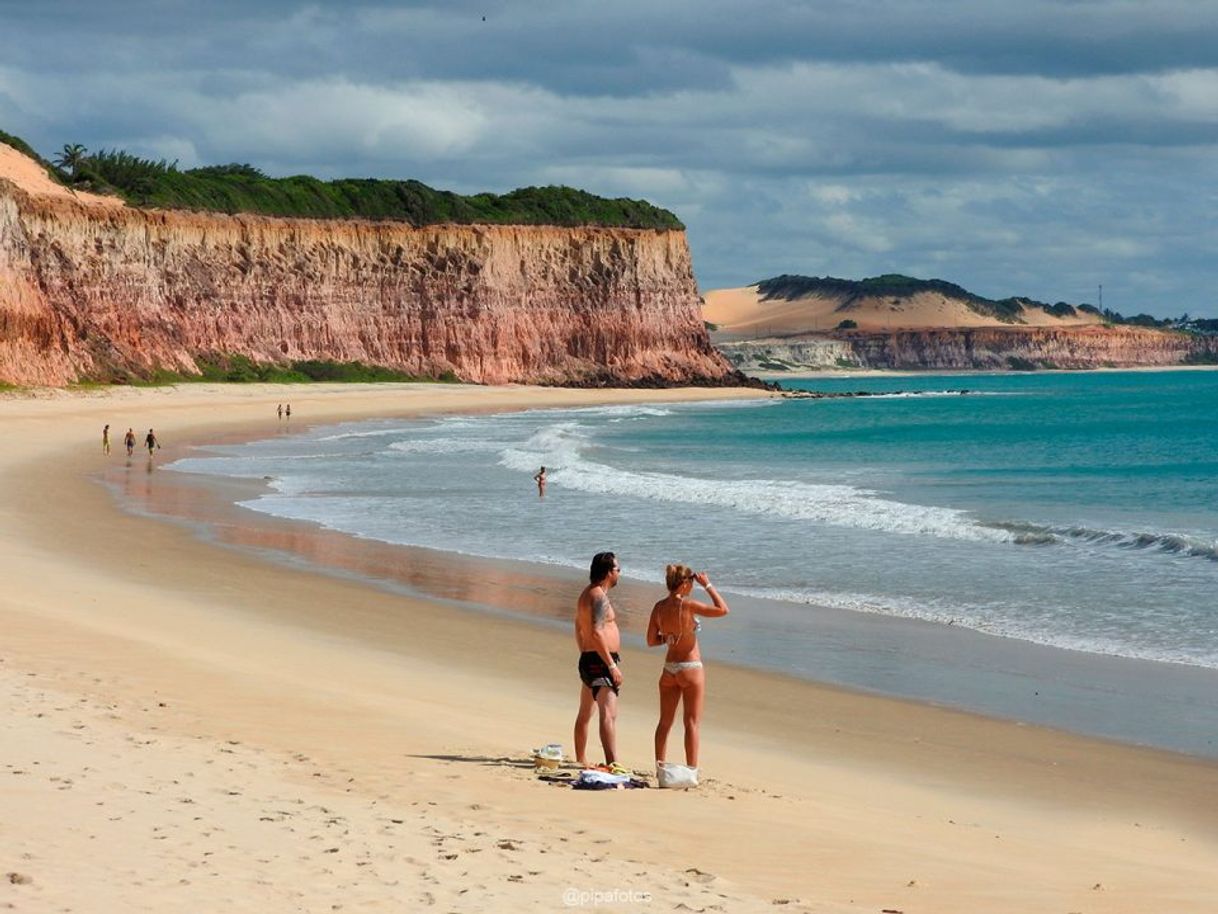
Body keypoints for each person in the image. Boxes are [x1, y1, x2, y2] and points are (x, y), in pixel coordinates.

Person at [646, 565, 729, 772]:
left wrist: (666, 637)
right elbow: (723, 609)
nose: (692, 586)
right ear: (684, 584)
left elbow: (651, 640)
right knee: (691, 723)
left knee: (664, 722)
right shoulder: (689, 605)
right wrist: (708, 585)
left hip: (669, 668)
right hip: (690, 667)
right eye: (691, 583)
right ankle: (691, 770)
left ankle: (660, 767)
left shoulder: (659, 607)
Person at [573, 551, 624, 768]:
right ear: (608, 572)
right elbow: (596, 631)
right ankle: (613, 763)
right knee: (608, 714)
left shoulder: (587, 594)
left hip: (589, 658)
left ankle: (580, 759)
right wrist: (611, 665)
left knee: (586, 712)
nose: (620, 573)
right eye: (617, 569)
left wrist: (584, 651)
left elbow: (578, 626)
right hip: (601, 661)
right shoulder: (598, 597)